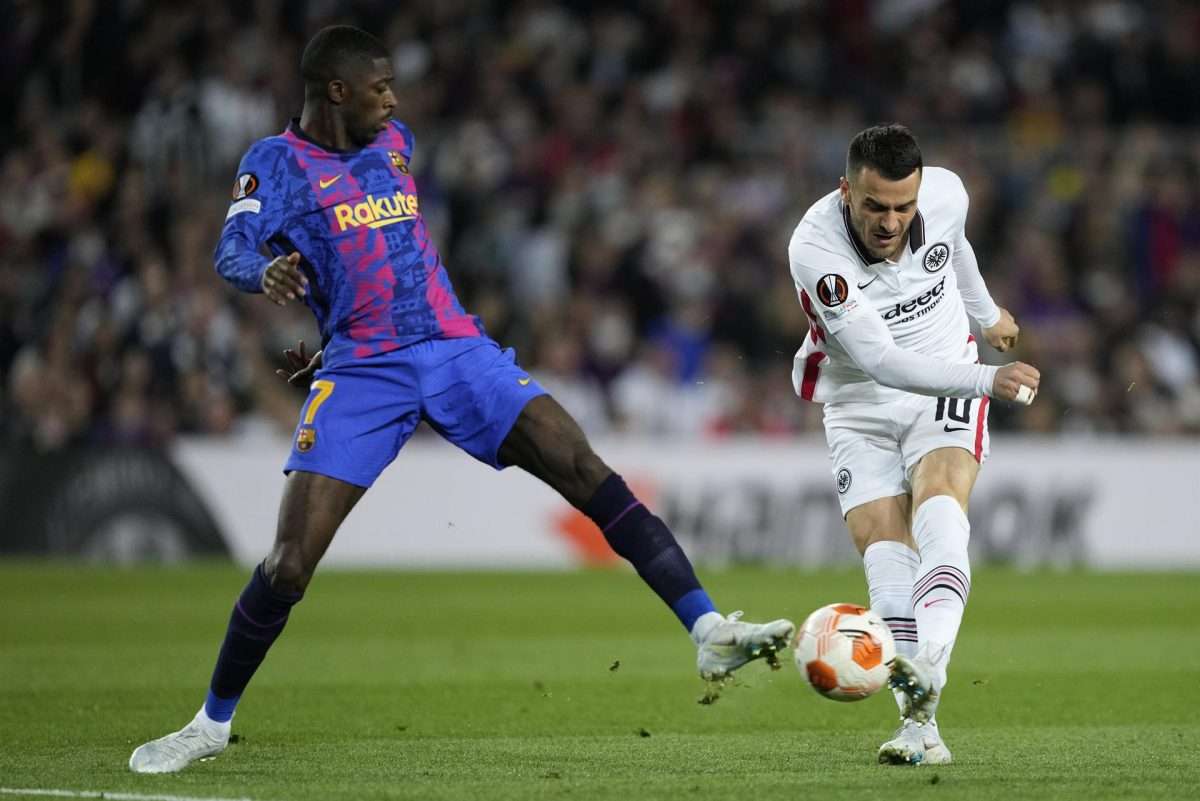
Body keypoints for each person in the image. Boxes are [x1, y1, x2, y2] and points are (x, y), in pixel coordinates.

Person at [128, 25, 794, 774]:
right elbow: (231, 250)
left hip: (456, 348)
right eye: (380, 88)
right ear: (337, 92)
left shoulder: (395, 143)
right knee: (288, 566)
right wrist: (266, 273)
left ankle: (707, 630)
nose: (394, 100)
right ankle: (210, 724)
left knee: (584, 466)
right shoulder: (275, 163)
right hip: (364, 369)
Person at [787, 124, 1040, 765]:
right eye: (875, 206)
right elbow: (881, 362)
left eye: (903, 207)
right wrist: (988, 379)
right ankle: (919, 728)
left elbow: (956, 247)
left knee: (941, 507)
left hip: (944, 378)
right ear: (847, 191)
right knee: (886, 553)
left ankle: (927, 676)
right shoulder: (816, 249)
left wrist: (987, 316)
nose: (890, 221)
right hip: (858, 399)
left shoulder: (946, 194)